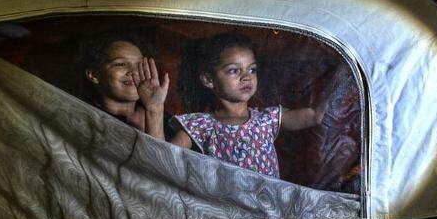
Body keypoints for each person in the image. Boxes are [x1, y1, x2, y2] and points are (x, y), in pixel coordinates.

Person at [168, 33, 326, 177]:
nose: (246, 77)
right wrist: (156, 108)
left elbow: (315, 116)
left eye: (252, 70)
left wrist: (333, 89)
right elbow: (163, 158)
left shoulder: (267, 119)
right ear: (209, 80)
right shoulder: (200, 125)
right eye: (233, 70)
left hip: (267, 200)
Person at [81, 31, 172, 140]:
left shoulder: (167, 120)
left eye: (139, 65)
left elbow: (161, 152)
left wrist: (155, 109)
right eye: (121, 64)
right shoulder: (83, 120)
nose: (133, 72)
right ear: (94, 74)